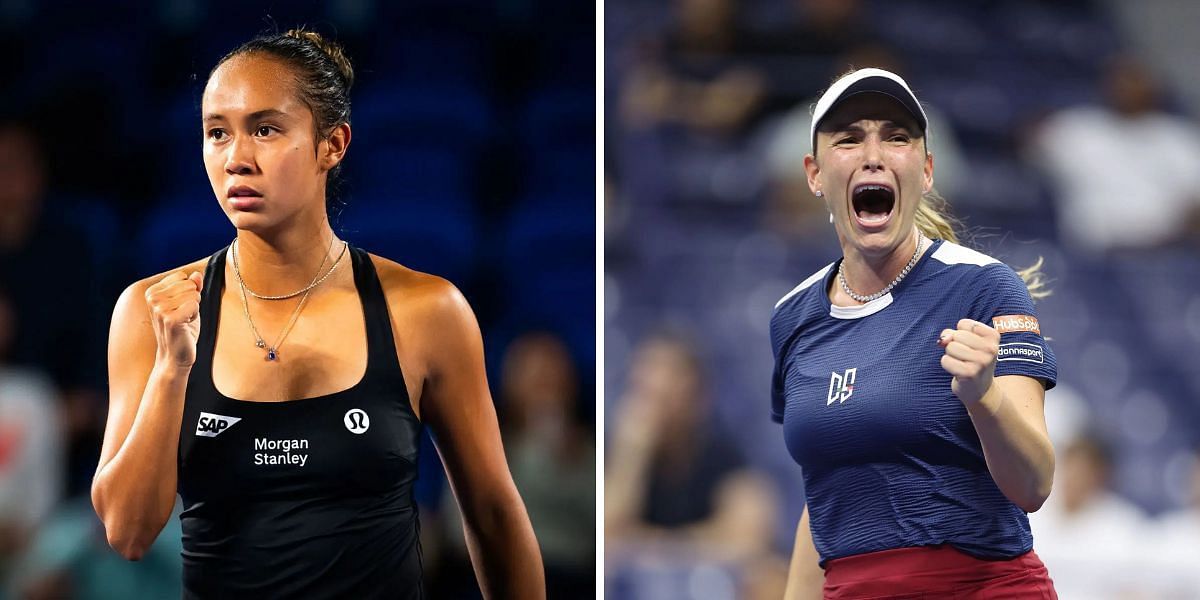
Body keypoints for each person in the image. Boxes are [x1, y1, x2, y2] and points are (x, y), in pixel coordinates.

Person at [89, 29, 544, 598]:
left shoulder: (427, 311)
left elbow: (494, 515)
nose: (237, 159)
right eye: (216, 134)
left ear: (332, 144)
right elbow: (127, 532)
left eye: (265, 129)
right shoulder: (149, 311)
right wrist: (172, 370)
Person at [769, 68, 1059, 599]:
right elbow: (826, 492)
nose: (873, 154)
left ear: (926, 170)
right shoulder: (791, 318)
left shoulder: (986, 288)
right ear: (814, 173)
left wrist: (984, 397)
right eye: (849, 138)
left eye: (896, 137)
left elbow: (1034, 485)